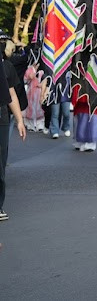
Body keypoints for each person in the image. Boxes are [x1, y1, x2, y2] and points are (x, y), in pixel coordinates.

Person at [0, 32, 27, 221]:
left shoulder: (7, 67)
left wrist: (19, 120)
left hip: (1, 116)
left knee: (0, 164)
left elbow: (11, 95)